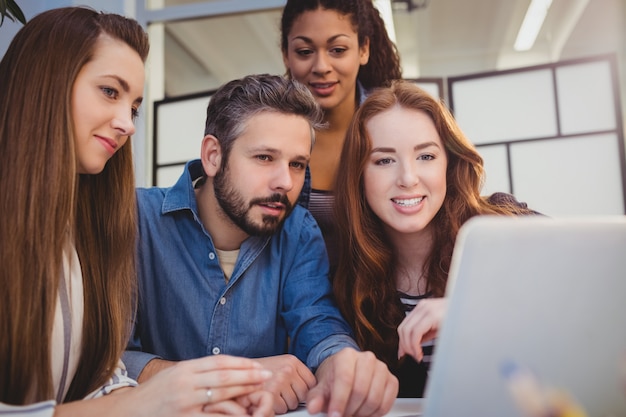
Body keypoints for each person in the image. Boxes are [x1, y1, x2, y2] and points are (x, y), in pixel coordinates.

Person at [0, 7, 274, 416]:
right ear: (46, 82)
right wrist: (146, 401)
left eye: (133, 107)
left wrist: (199, 398)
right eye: (110, 91)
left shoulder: (79, 233)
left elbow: (94, 383)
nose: (127, 124)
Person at [124, 74, 399, 416]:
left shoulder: (298, 230)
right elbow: (107, 359)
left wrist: (342, 364)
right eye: (265, 158)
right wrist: (233, 381)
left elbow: (317, 322)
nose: (285, 181)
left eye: (297, 164)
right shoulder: (135, 219)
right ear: (213, 156)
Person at [332, 80, 539, 397]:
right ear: (359, 175)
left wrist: (470, 310)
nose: (408, 178)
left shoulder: (503, 224)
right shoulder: (349, 277)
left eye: (426, 156)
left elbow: (594, 295)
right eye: (384, 160)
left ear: (449, 162)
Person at [280, 0, 402, 270]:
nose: (321, 66)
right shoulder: (270, 132)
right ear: (286, 55)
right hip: (294, 304)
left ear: (363, 49)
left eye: (337, 49)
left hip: (382, 298)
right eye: (304, 51)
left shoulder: (397, 125)